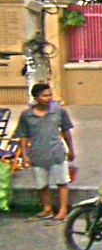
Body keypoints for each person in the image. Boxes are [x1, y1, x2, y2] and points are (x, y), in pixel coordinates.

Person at [15, 82, 76, 221]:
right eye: (44, 96)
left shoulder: (59, 111)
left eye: (50, 95)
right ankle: (47, 208)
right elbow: (23, 136)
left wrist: (71, 150)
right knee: (42, 185)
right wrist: (24, 155)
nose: (49, 98)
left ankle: (63, 210)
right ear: (36, 98)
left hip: (56, 152)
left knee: (62, 182)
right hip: (37, 154)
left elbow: (66, 131)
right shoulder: (26, 115)